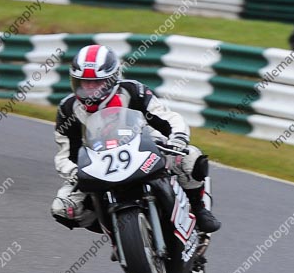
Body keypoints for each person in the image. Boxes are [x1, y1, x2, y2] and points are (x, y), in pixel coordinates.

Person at [50, 44, 221, 236]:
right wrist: (74, 171)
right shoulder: (67, 109)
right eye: (83, 82)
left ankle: (199, 209)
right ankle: (117, 231)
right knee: (63, 207)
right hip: (98, 162)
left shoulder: (133, 91)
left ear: (111, 80)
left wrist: (178, 139)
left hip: (145, 146)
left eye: (96, 83)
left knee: (190, 157)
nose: (89, 89)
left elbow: (167, 118)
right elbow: (65, 154)